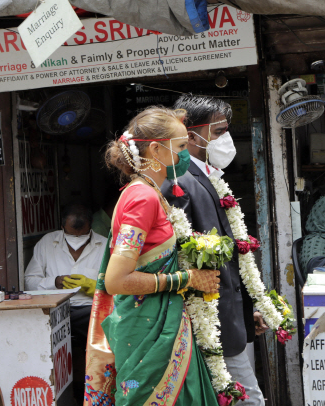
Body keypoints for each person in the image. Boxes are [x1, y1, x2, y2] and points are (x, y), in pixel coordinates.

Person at [84, 106, 220, 406]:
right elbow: (117, 280)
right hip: (147, 333)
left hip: (160, 325)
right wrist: (187, 278)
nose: (187, 154)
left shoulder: (149, 192)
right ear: (157, 150)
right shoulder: (141, 197)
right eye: (182, 147)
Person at [161, 94, 266, 406]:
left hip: (230, 320)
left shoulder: (208, 177)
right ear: (191, 136)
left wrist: (251, 307)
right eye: (219, 132)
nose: (227, 139)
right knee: (250, 401)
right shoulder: (178, 184)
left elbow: (231, 258)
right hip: (209, 322)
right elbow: (185, 258)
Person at [24, 204, 107, 401]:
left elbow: (116, 283)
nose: (76, 239)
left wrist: (96, 286)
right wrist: (54, 282)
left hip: (91, 309)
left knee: (102, 341)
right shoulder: (47, 243)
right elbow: (30, 281)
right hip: (57, 308)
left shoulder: (105, 245)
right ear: (62, 226)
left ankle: (95, 394)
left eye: (81, 234)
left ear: (91, 226)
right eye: (72, 233)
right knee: (48, 346)